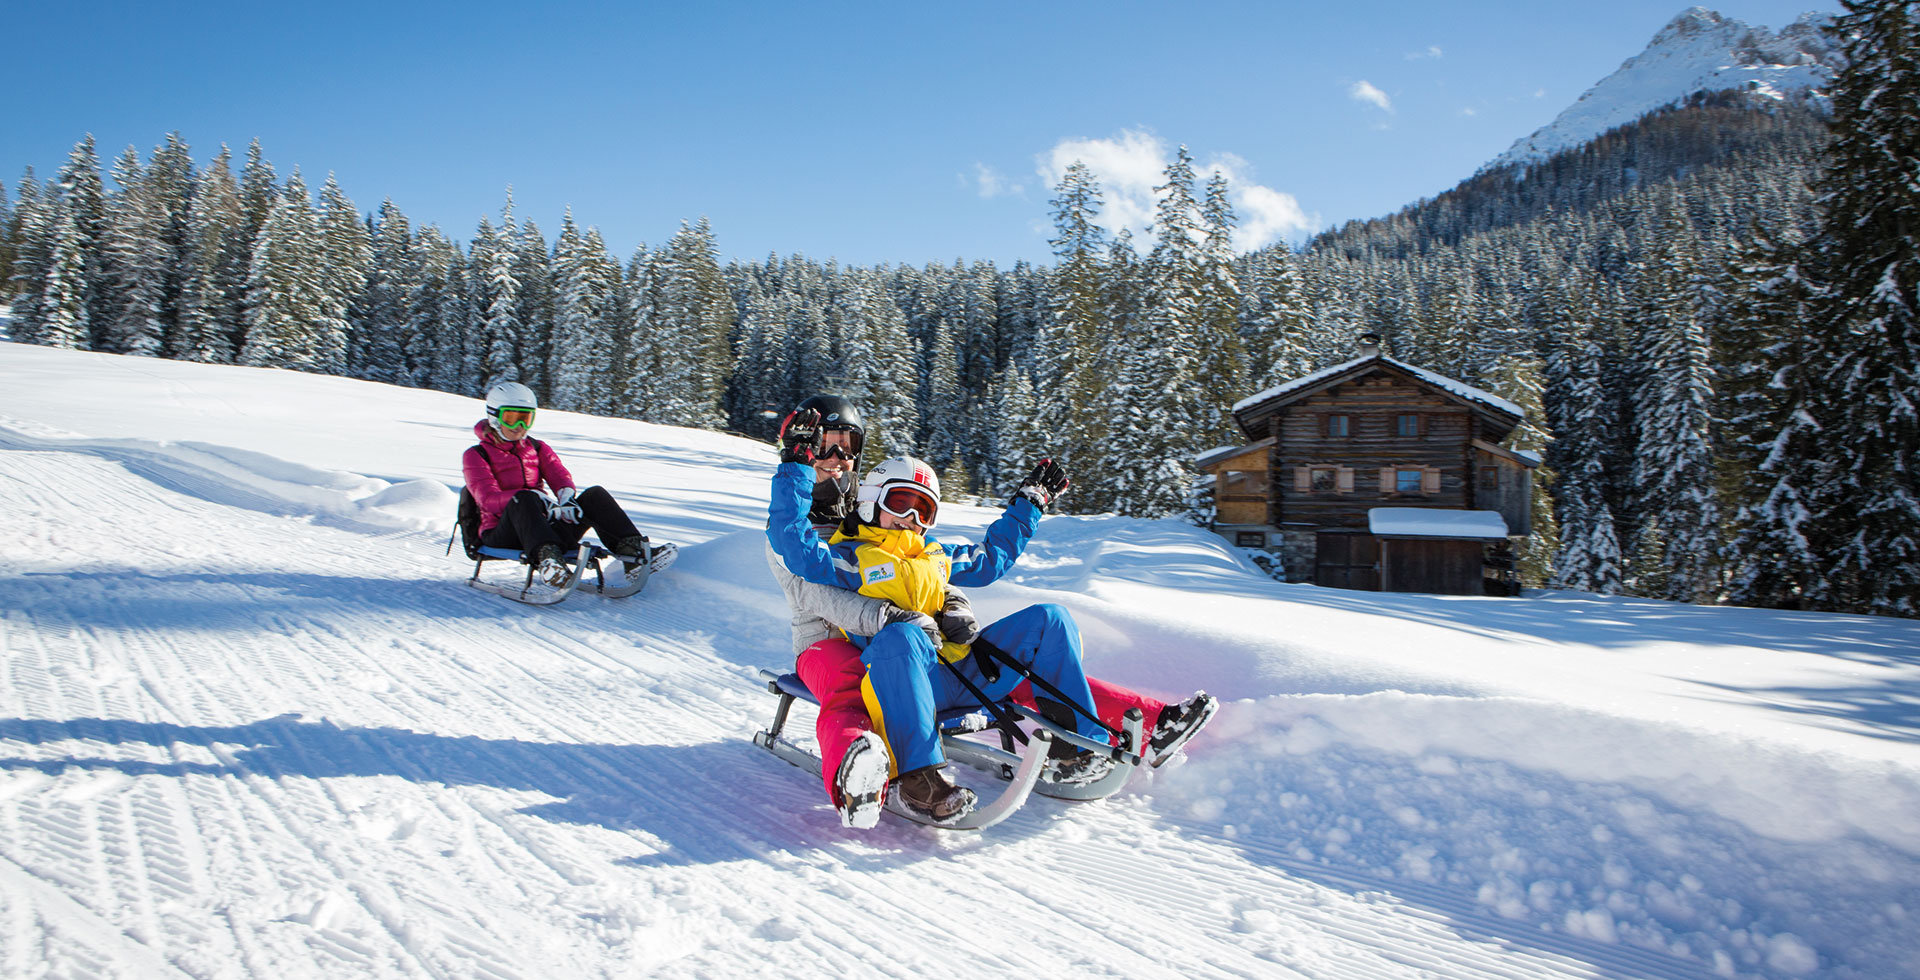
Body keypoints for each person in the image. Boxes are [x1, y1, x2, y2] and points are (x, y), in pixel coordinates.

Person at [769, 428, 1217, 825]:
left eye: (923, 510)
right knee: (903, 634)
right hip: (899, 682)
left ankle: (1078, 748)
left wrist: (1029, 504)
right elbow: (795, 544)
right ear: (870, 502)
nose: (911, 519)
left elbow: (992, 558)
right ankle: (919, 778)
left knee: (1049, 619)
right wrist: (795, 470)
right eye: (900, 502)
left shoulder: (934, 554)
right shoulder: (849, 556)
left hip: (960, 674)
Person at [463, 381, 670, 587]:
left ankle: (632, 556)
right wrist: (537, 499)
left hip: (541, 528)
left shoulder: (537, 447)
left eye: (525, 419)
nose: (519, 427)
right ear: (495, 418)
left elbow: (558, 475)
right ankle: (549, 563)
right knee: (524, 498)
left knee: (594, 496)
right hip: (502, 533)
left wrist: (566, 497)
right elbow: (487, 500)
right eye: (512, 418)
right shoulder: (476, 455)